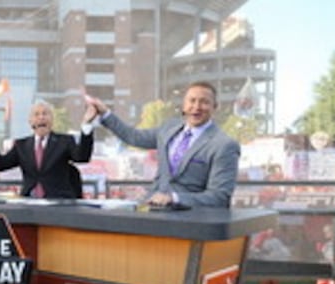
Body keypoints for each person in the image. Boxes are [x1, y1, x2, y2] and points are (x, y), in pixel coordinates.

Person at [88, 81, 240, 208]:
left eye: (204, 102)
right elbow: (133, 137)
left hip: (193, 220)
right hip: (152, 210)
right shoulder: (168, 129)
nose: (197, 106)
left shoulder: (224, 145)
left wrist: (175, 198)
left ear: (215, 107)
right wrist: (105, 113)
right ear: (183, 105)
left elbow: (219, 196)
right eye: (192, 100)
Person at [0, 100, 96, 198]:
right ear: (30, 121)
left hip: (58, 203)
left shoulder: (65, 141)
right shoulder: (21, 145)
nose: (41, 117)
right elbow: (0, 165)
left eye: (45, 114)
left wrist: (87, 124)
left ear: (52, 120)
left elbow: (82, 157)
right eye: (37, 114)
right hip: (29, 202)